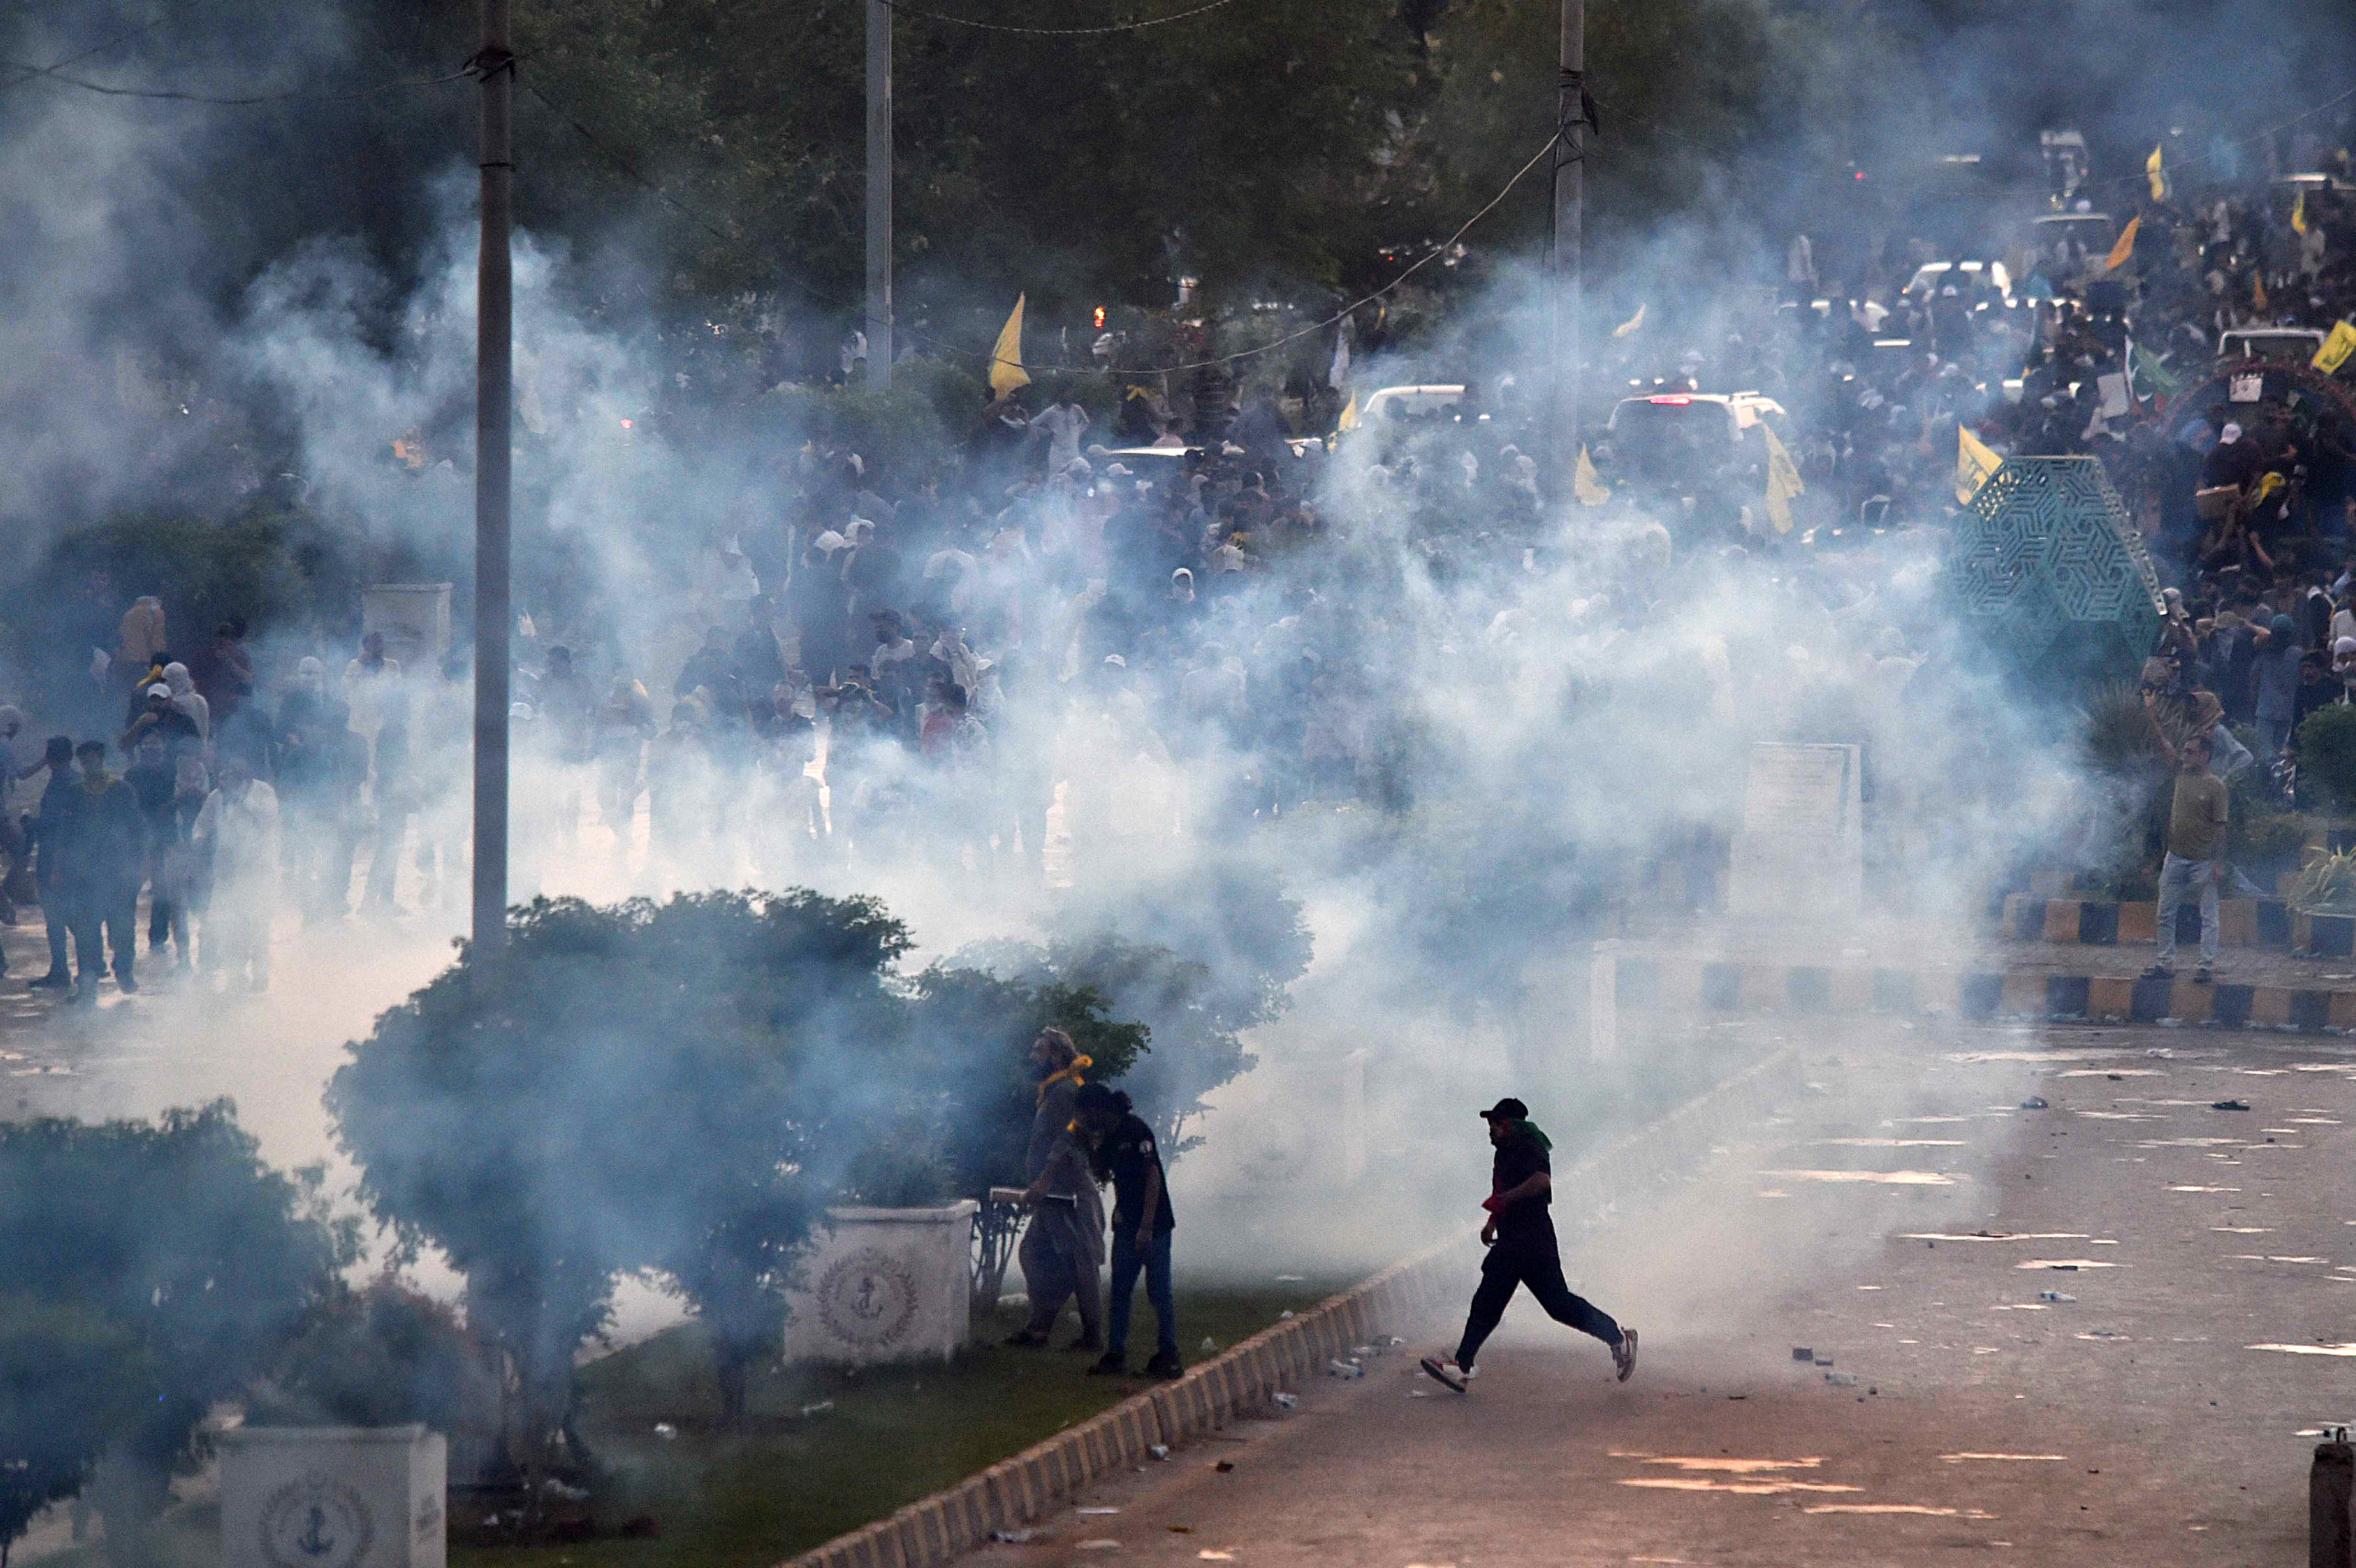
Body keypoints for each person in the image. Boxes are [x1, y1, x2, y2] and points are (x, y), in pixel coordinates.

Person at [1421, 1097, 1636, 1392]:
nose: (1491, 1130)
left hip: (1533, 1240)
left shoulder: (1528, 1146)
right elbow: (1502, 1191)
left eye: (1496, 1124)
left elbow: (1541, 1182)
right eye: (1490, 1124)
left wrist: (1506, 1203)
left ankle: (1618, 1338)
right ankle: (1463, 1365)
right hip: (1512, 1241)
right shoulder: (1504, 1153)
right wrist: (1493, 1221)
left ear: (1510, 1124)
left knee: (1558, 1305)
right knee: (1490, 1301)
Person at [1005, 1028, 1107, 1353]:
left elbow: (1070, 1141)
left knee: (1081, 1264)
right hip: (1052, 1196)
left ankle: (1092, 1337)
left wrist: (1045, 1179)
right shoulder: (1054, 1090)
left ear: (1058, 1056)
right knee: (1036, 1254)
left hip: (1069, 1195)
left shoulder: (1065, 1092)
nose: (1033, 1057)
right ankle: (1039, 1329)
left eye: (1039, 1051)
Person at [1075, 1083, 1182, 1379]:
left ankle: (1169, 1354)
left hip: (1154, 1224)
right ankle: (1116, 1353)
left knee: (1160, 1291)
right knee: (1120, 1290)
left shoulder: (1137, 1132)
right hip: (1127, 1224)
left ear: (1098, 1109)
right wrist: (1087, 1145)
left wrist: (1147, 1226)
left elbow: (1153, 1178)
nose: (1085, 1119)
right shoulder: (1110, 1138)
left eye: (1085, 1114)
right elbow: (1102, 1173)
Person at [54, 739, 145, 1006]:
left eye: (93, 760)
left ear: (102, 760)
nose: (89, 765)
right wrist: (60, 868)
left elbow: (137, 832)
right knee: (85, 932)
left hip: (118, 872)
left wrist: (140, 867)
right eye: (84, 762)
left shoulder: (122, 791)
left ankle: (124, 972)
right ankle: (88, 985)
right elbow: (65, 834)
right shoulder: (75, 794)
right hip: (84, 874)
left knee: (123, 929)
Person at [2146, 730, 2227, 984]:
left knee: (2209, 915)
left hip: (2203, 861)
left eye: (2191, 752)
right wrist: (2152, 714)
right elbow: (2165, 744)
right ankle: (2164, 963)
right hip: (2176, 857)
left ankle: (2205, 966)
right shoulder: (2181, 774)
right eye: (2185, 751)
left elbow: (2220, 827)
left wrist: (2217, 863)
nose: (2185, 755)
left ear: (2205, 756)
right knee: (2165, 914)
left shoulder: (2216, 787)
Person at [193, 753, 279, 992]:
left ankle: (261, 976)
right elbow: (202, 823)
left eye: (227, 777)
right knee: (229, 925)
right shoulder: (217, 798)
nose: (222, 782)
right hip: (228, 872)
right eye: (220, 778)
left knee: (258, 924)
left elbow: (269, 820)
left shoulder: (263, 793)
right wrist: (199, 839)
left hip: (259, 871)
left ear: (241, 778)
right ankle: (235, 975)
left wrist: (242, 800)